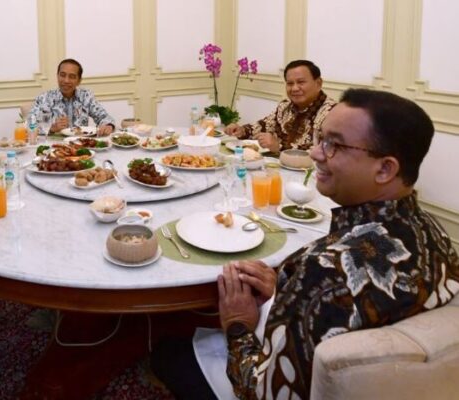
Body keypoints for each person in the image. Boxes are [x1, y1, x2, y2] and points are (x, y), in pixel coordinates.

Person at [152, 88, 459, 399]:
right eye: (319, 139)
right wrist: (290, 293)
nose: (314, 153)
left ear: (385, 168)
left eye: (333, 145)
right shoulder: (435, 234)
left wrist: (237, 325)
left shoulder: (324, 269)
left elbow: (264, 392)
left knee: (166, 350)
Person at [225, 60, 336, 153]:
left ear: (318, 83)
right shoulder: (285, 107)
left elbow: (325, 151)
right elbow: (264, 125)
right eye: (290, 83)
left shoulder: (333, 113)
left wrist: (279, 147)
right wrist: (242, 130)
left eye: (301, 82)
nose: (295, 88)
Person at [30, 58, 115, 136]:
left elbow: (104, 117)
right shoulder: (44, 98)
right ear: (57, 76)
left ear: (79, 81)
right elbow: (30, 126)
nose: (66, 80)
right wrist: (52, 128)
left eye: (72, 77)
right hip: (54, 147)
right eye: (62, 75)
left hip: (81, 146)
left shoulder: (86, 96)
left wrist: (108, 126)